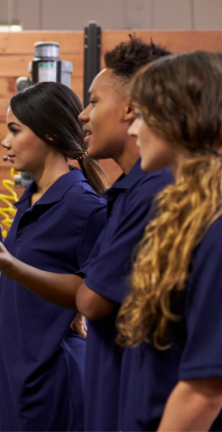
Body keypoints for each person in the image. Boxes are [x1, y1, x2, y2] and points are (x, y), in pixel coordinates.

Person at [0, 81, 108, 431]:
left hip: (53, 380)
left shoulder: (85, 207)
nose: (5, 141)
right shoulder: (31, 199)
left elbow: (95, 294)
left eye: (15, 130)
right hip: (18, 377)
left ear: (49, 133)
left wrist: (11, 266)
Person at [117, 51, 222, 431]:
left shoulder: (216, 229)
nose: (132, 129)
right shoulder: (183, 214)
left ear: (180, 118)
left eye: (142, 115)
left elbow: (205, 390)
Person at [75, 37, 173, 431]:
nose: (83, 115)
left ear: (131, 107)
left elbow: (93, 301)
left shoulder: (155, 190)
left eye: (95, 101)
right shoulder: (128, 188)